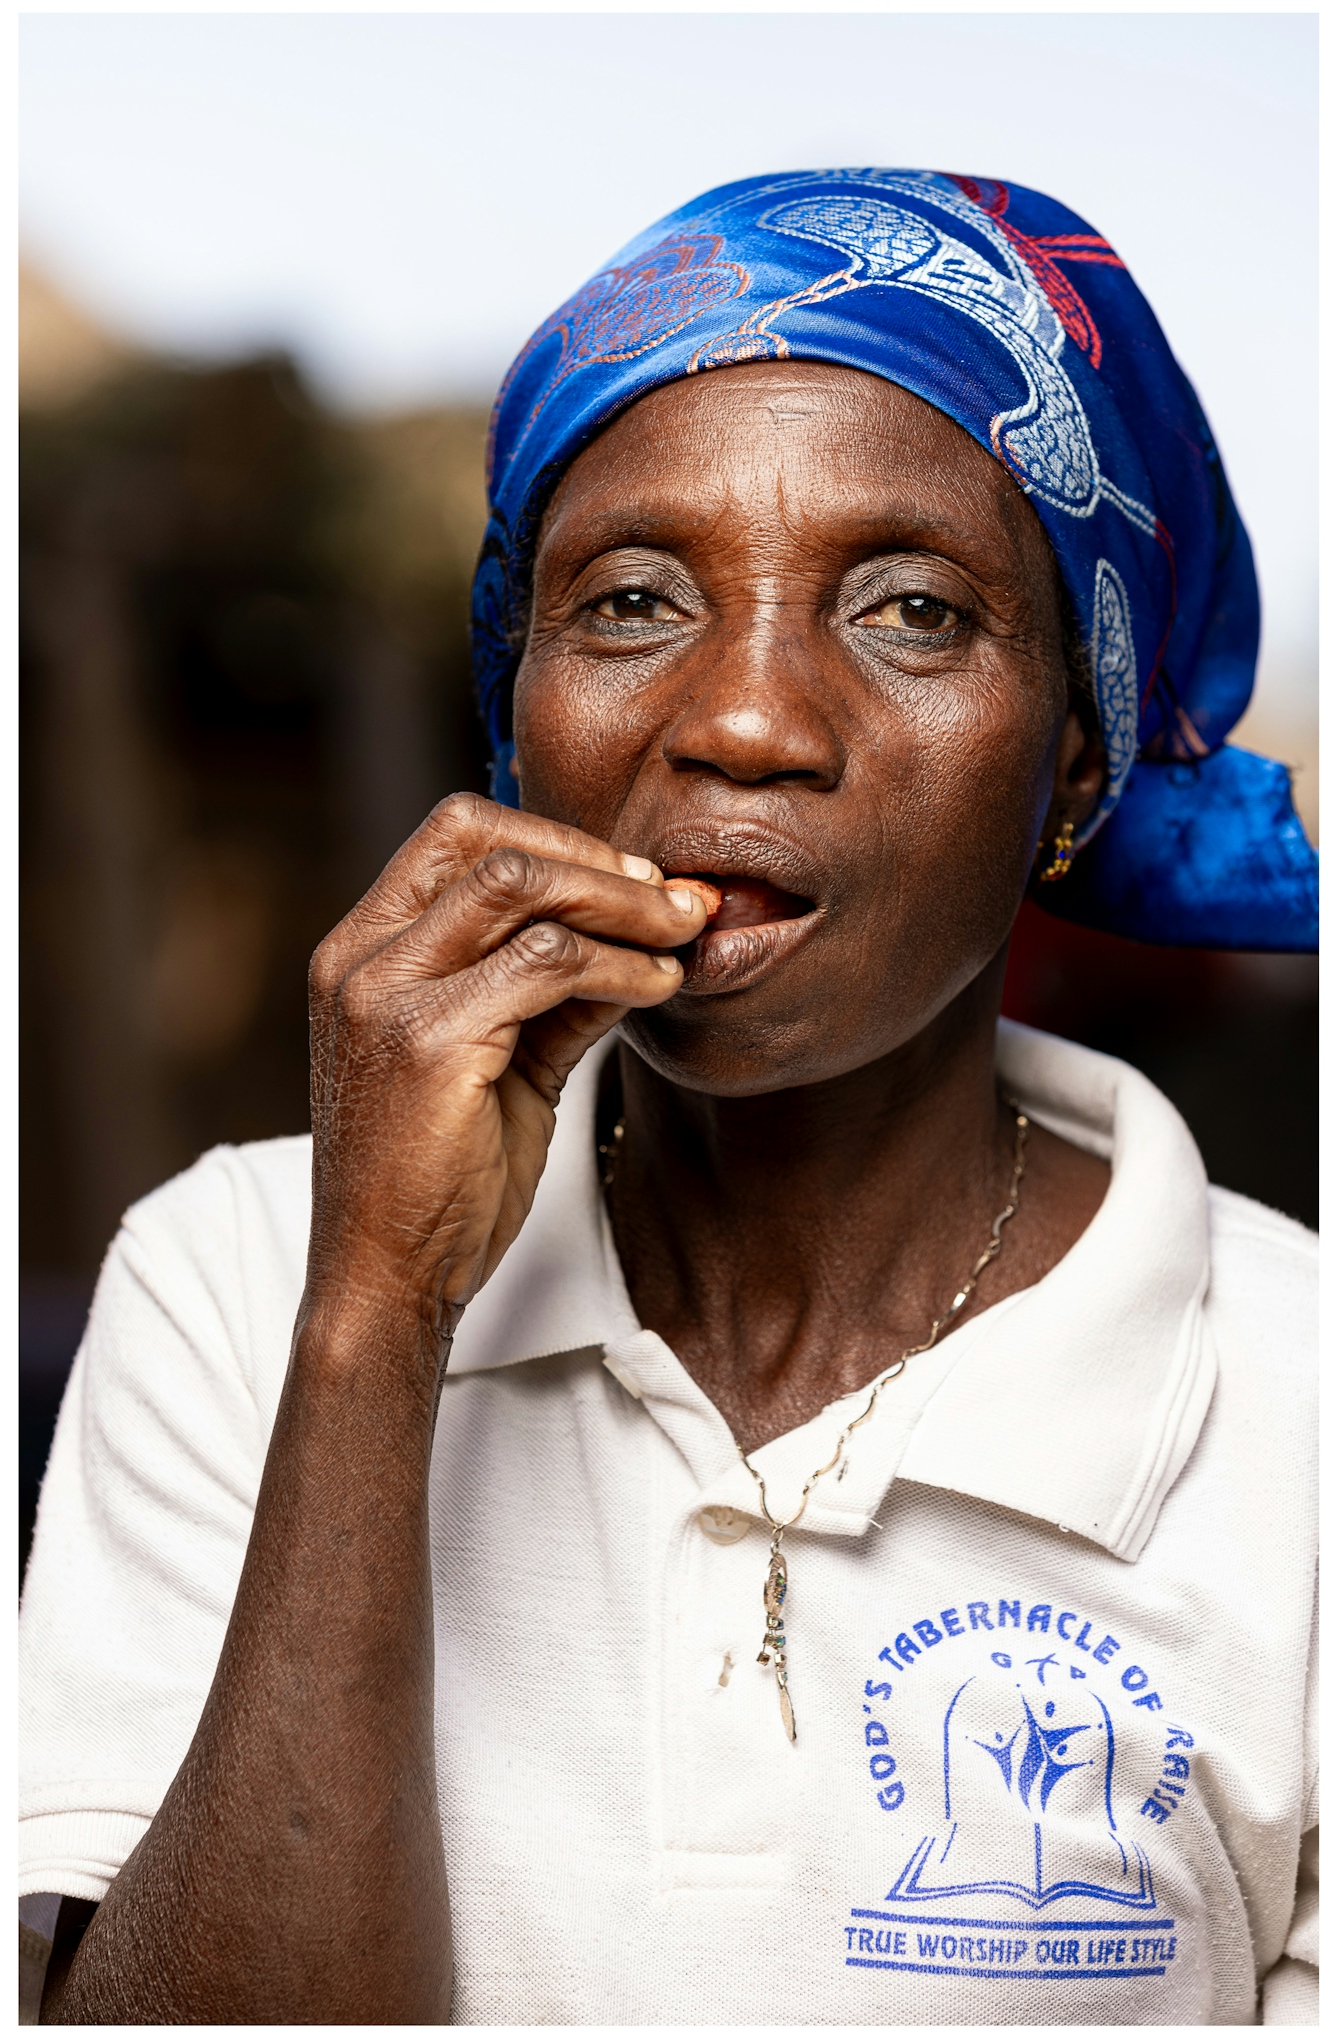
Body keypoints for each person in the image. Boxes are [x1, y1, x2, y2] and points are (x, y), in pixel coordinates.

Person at [19, 169, 1317, 2026]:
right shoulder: (236, 1281)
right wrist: (375, 1318)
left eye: (912, 611)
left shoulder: (1296, 1405)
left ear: (1076, 765)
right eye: (631, 600)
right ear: (518, 710)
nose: (745, 719)